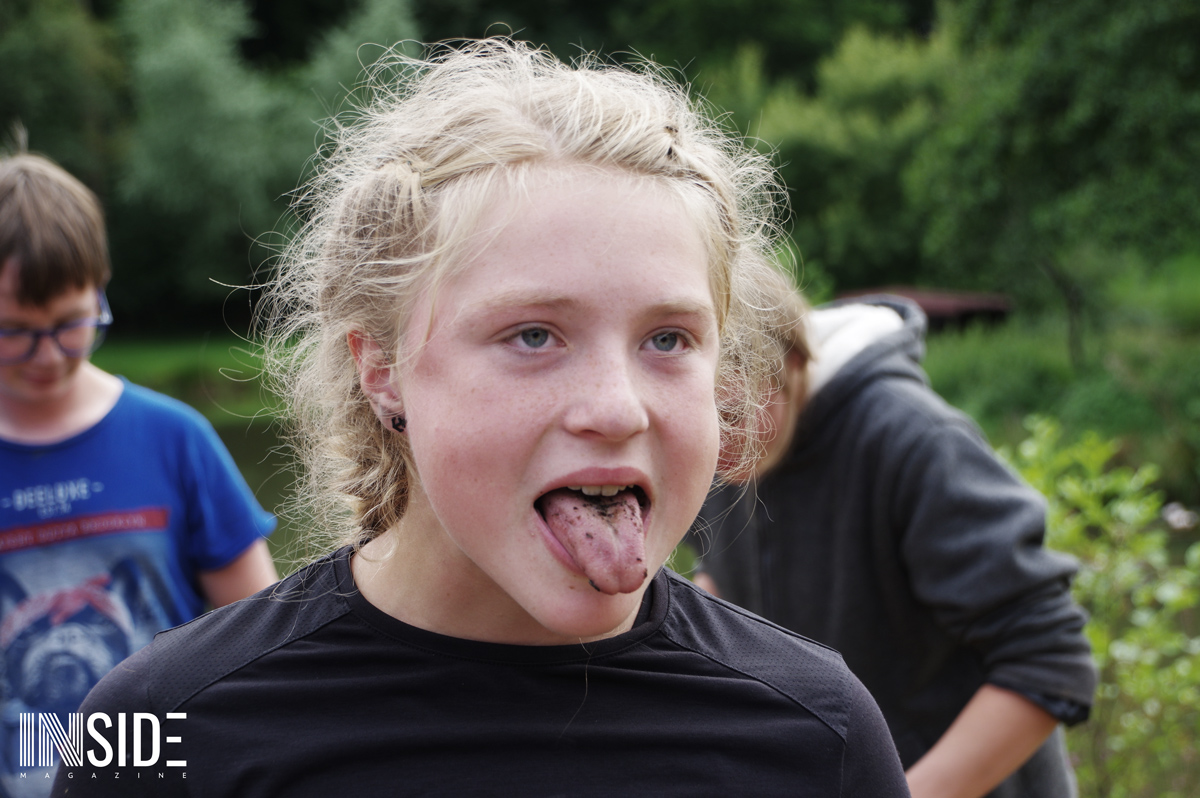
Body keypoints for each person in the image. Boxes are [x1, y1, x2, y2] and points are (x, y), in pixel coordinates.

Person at [53, 39, 909, 796]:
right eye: (533, 335)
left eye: (668, 339)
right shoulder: (160, 727)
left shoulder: (819, 735)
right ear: (381, 369)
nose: (617, 408)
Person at [691, 286, 1098, 798]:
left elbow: (1049, 659)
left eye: (733, 415)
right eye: (700, 417)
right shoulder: (720, 448)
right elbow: (720, 581)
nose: (720, 443)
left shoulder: (916, 441)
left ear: (792, 362)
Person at [0, 148, 278, 796]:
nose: (48, 355)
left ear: (99, 287)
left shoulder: (174, 438)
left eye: (70, 325)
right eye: (14, 331)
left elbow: (260, 632)